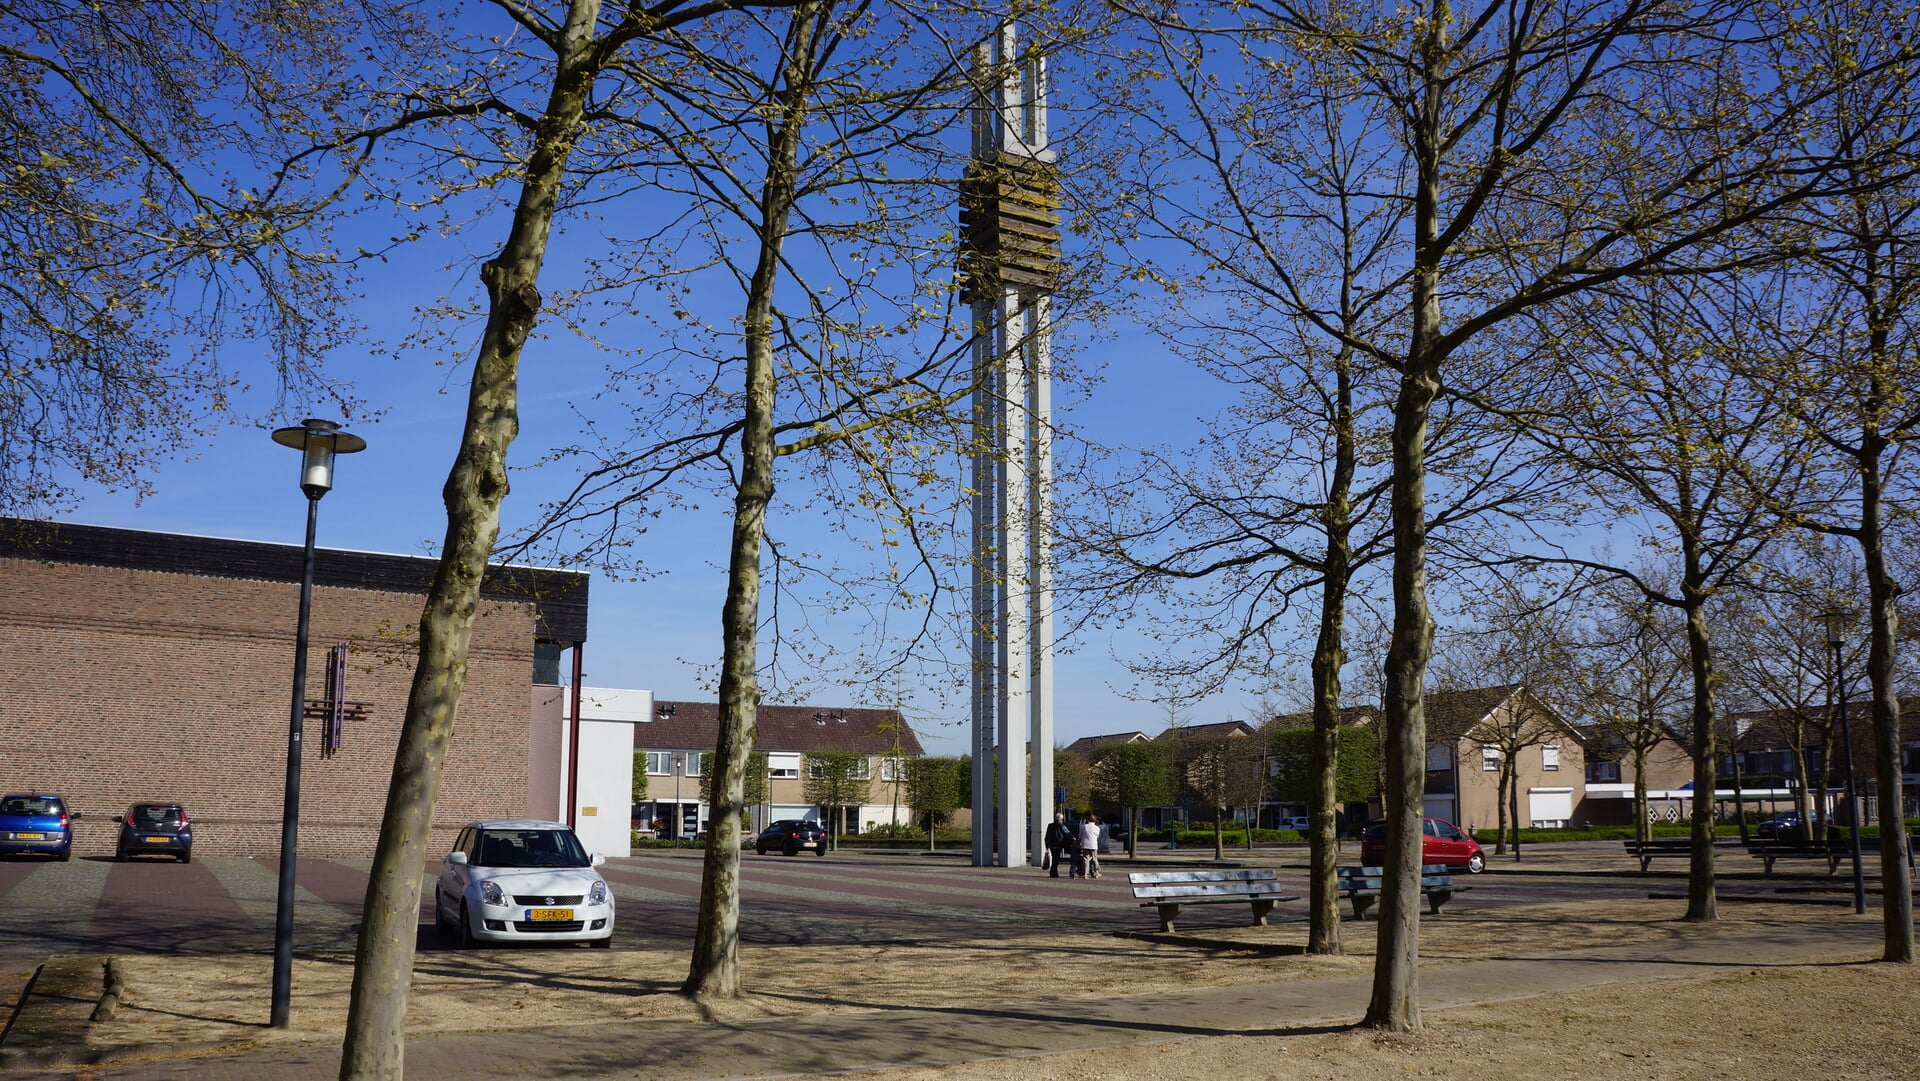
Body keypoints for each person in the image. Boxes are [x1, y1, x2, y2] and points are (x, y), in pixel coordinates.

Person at [1043, 812, 1070, 877]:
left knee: (1054, 858)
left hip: (1051, 845)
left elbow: (1047, 836)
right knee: (1056, 859)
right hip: (1058, 844)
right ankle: (1053, 873)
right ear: (1061, 819)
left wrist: (1047, 845)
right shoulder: (1062, 826)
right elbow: (1068, 834)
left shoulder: (1050, 825)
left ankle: (1053, 872)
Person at [1079, 814, 1102, 880]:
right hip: (1093, 845)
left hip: (1085, 845)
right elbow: (1097, 836)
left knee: (1086, 860)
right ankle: (1096, 872)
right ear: (1095, 820)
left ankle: (1086, 874)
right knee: (1094, 859)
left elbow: (1080, 836)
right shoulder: (1097, 828)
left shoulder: (1083, 827)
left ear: (1088, 820)